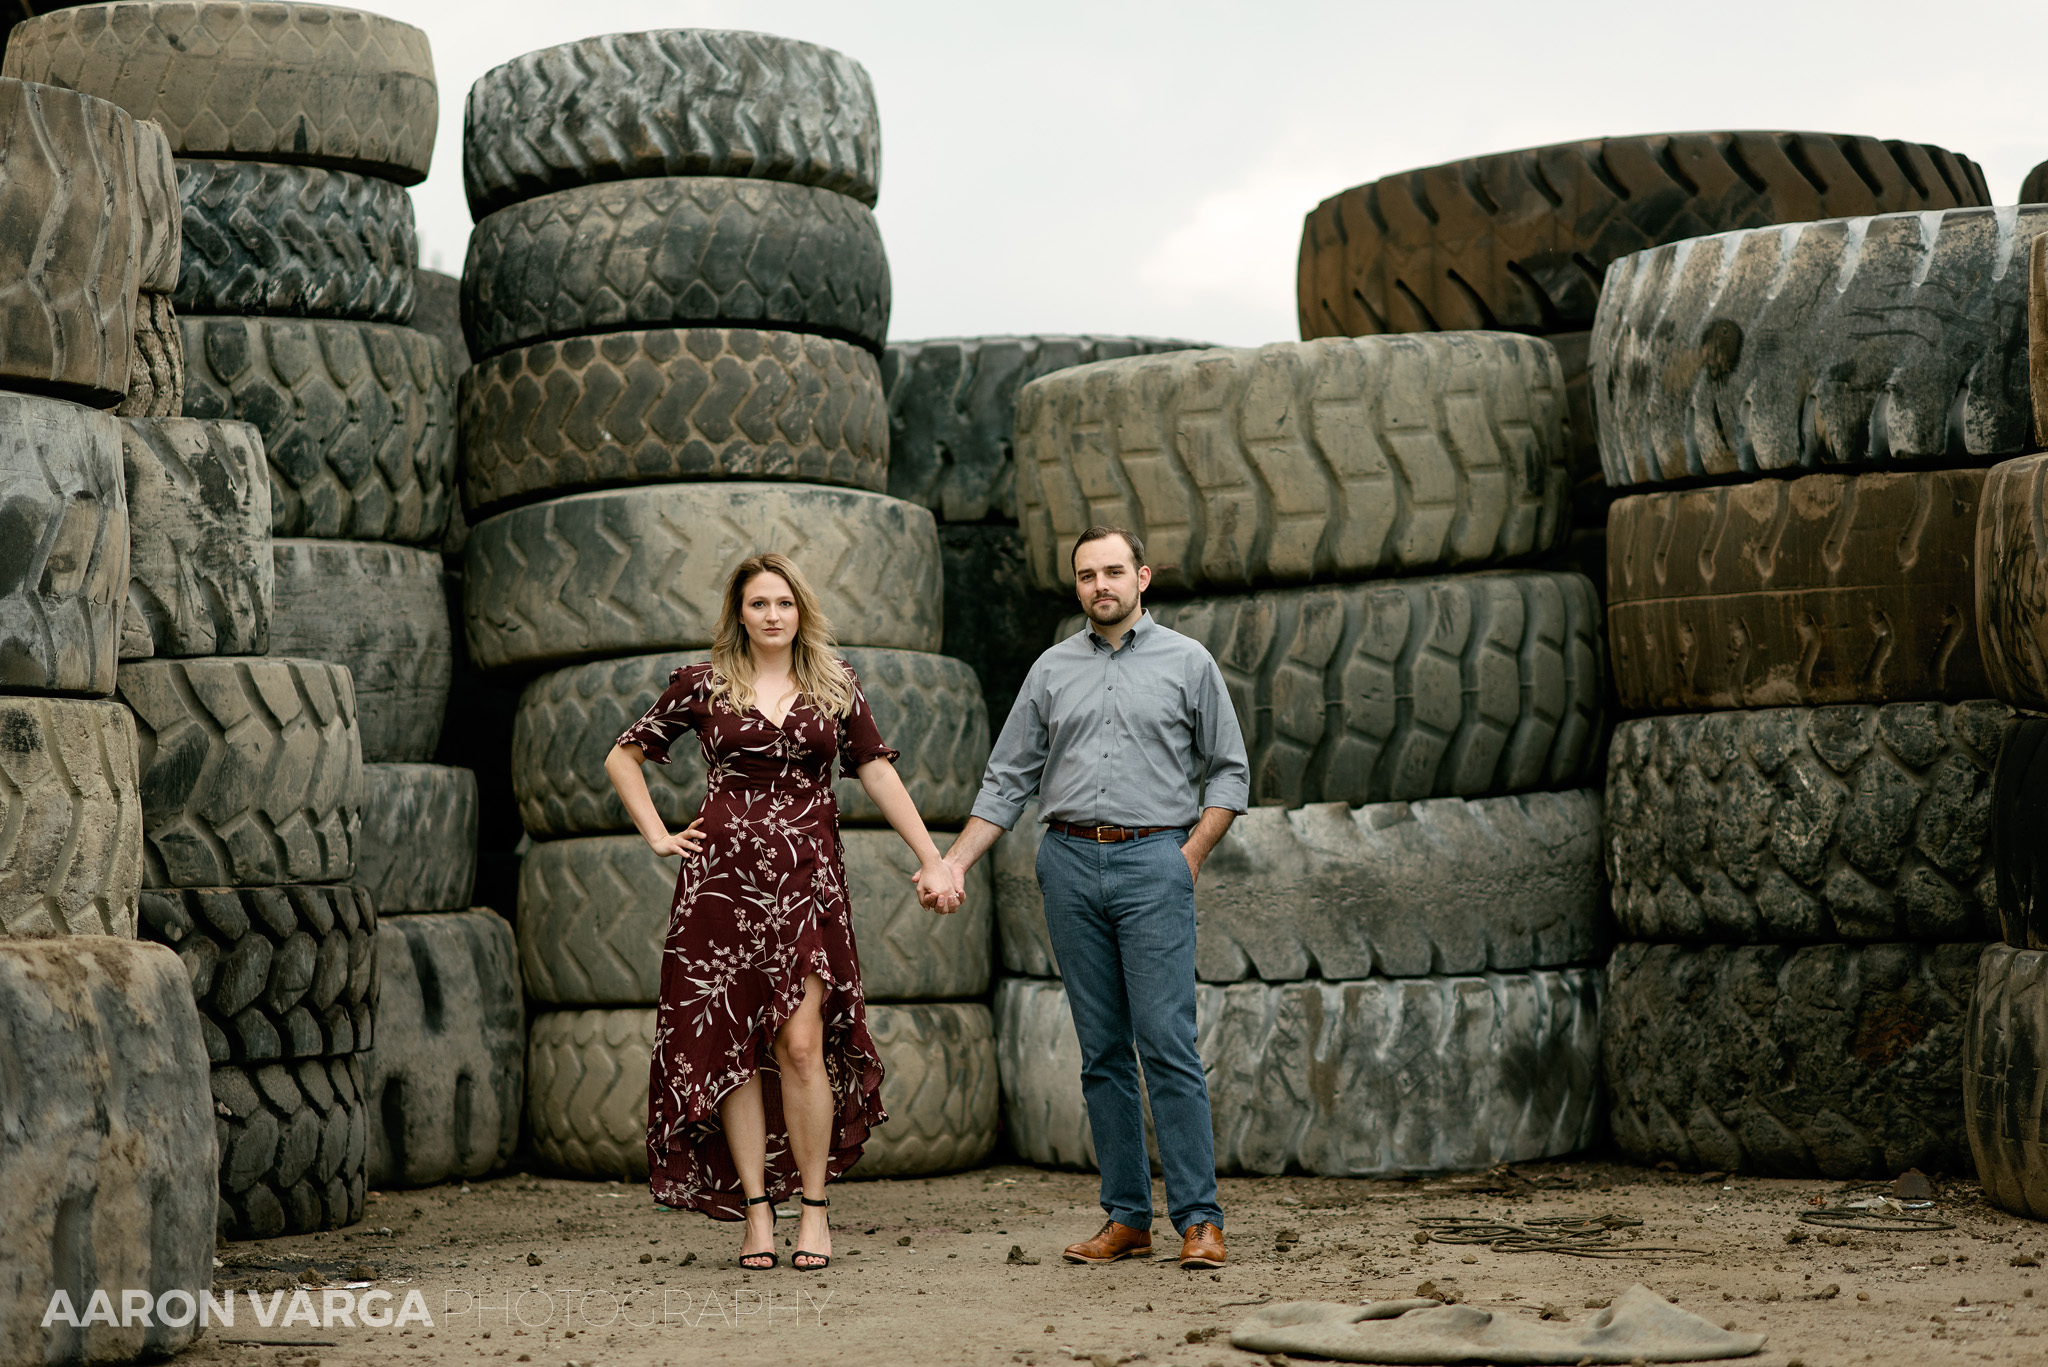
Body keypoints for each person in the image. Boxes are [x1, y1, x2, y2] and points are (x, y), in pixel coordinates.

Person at [604, 551, 962, 1273]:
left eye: (785, 603)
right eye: (759, 603)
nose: (773, 614)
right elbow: (625, 754)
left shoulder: (834, 684)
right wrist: (656, 833)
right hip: (720, 890)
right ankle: (757, 1212)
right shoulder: (702, 684)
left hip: (807, 887)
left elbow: (876, 769)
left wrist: (933, 856)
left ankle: (816, 1209)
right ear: (739, 612)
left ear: (802, 611)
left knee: (800, 1045)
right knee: (732, 1053)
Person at [938, 525, 1249, 1270]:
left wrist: (1189, 856)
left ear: (1141, 576)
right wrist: (952, 861)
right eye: (1086, 575)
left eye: (1113, 571)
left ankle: (1199, 1220)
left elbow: (1229, 773)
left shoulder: (1188, 661)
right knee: (1101, 1051)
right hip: (1069, 863)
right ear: (1076, 585)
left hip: (1154, 862)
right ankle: (1126, 1216)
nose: (1100, 585)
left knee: (1166, 1042)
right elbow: (1006, 779)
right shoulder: (1051, 669)